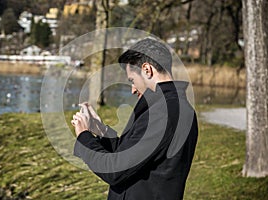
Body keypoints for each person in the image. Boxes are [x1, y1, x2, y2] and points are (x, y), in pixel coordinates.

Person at [71, 38, 198, 200]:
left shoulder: (165, 112)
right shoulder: (165, 108)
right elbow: (131, 154)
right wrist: (102, 131)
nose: (132, 89)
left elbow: (115, 170)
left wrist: (84, 137)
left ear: (147, 70)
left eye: (132, 80)